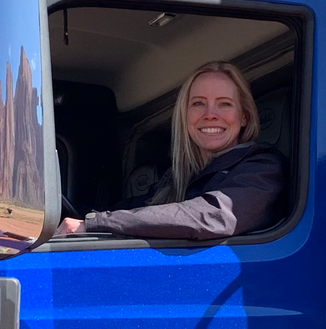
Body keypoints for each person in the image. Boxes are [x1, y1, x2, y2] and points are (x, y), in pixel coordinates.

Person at [56, 61, 287, 241]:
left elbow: (211, 216)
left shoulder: (262, 168)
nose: (210, 114)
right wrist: (65, 214)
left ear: (244, 116)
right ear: (185, 117)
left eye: (224, 103)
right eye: (198, 103)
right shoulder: (177, 179)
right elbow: (129, 211)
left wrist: (96, 223)